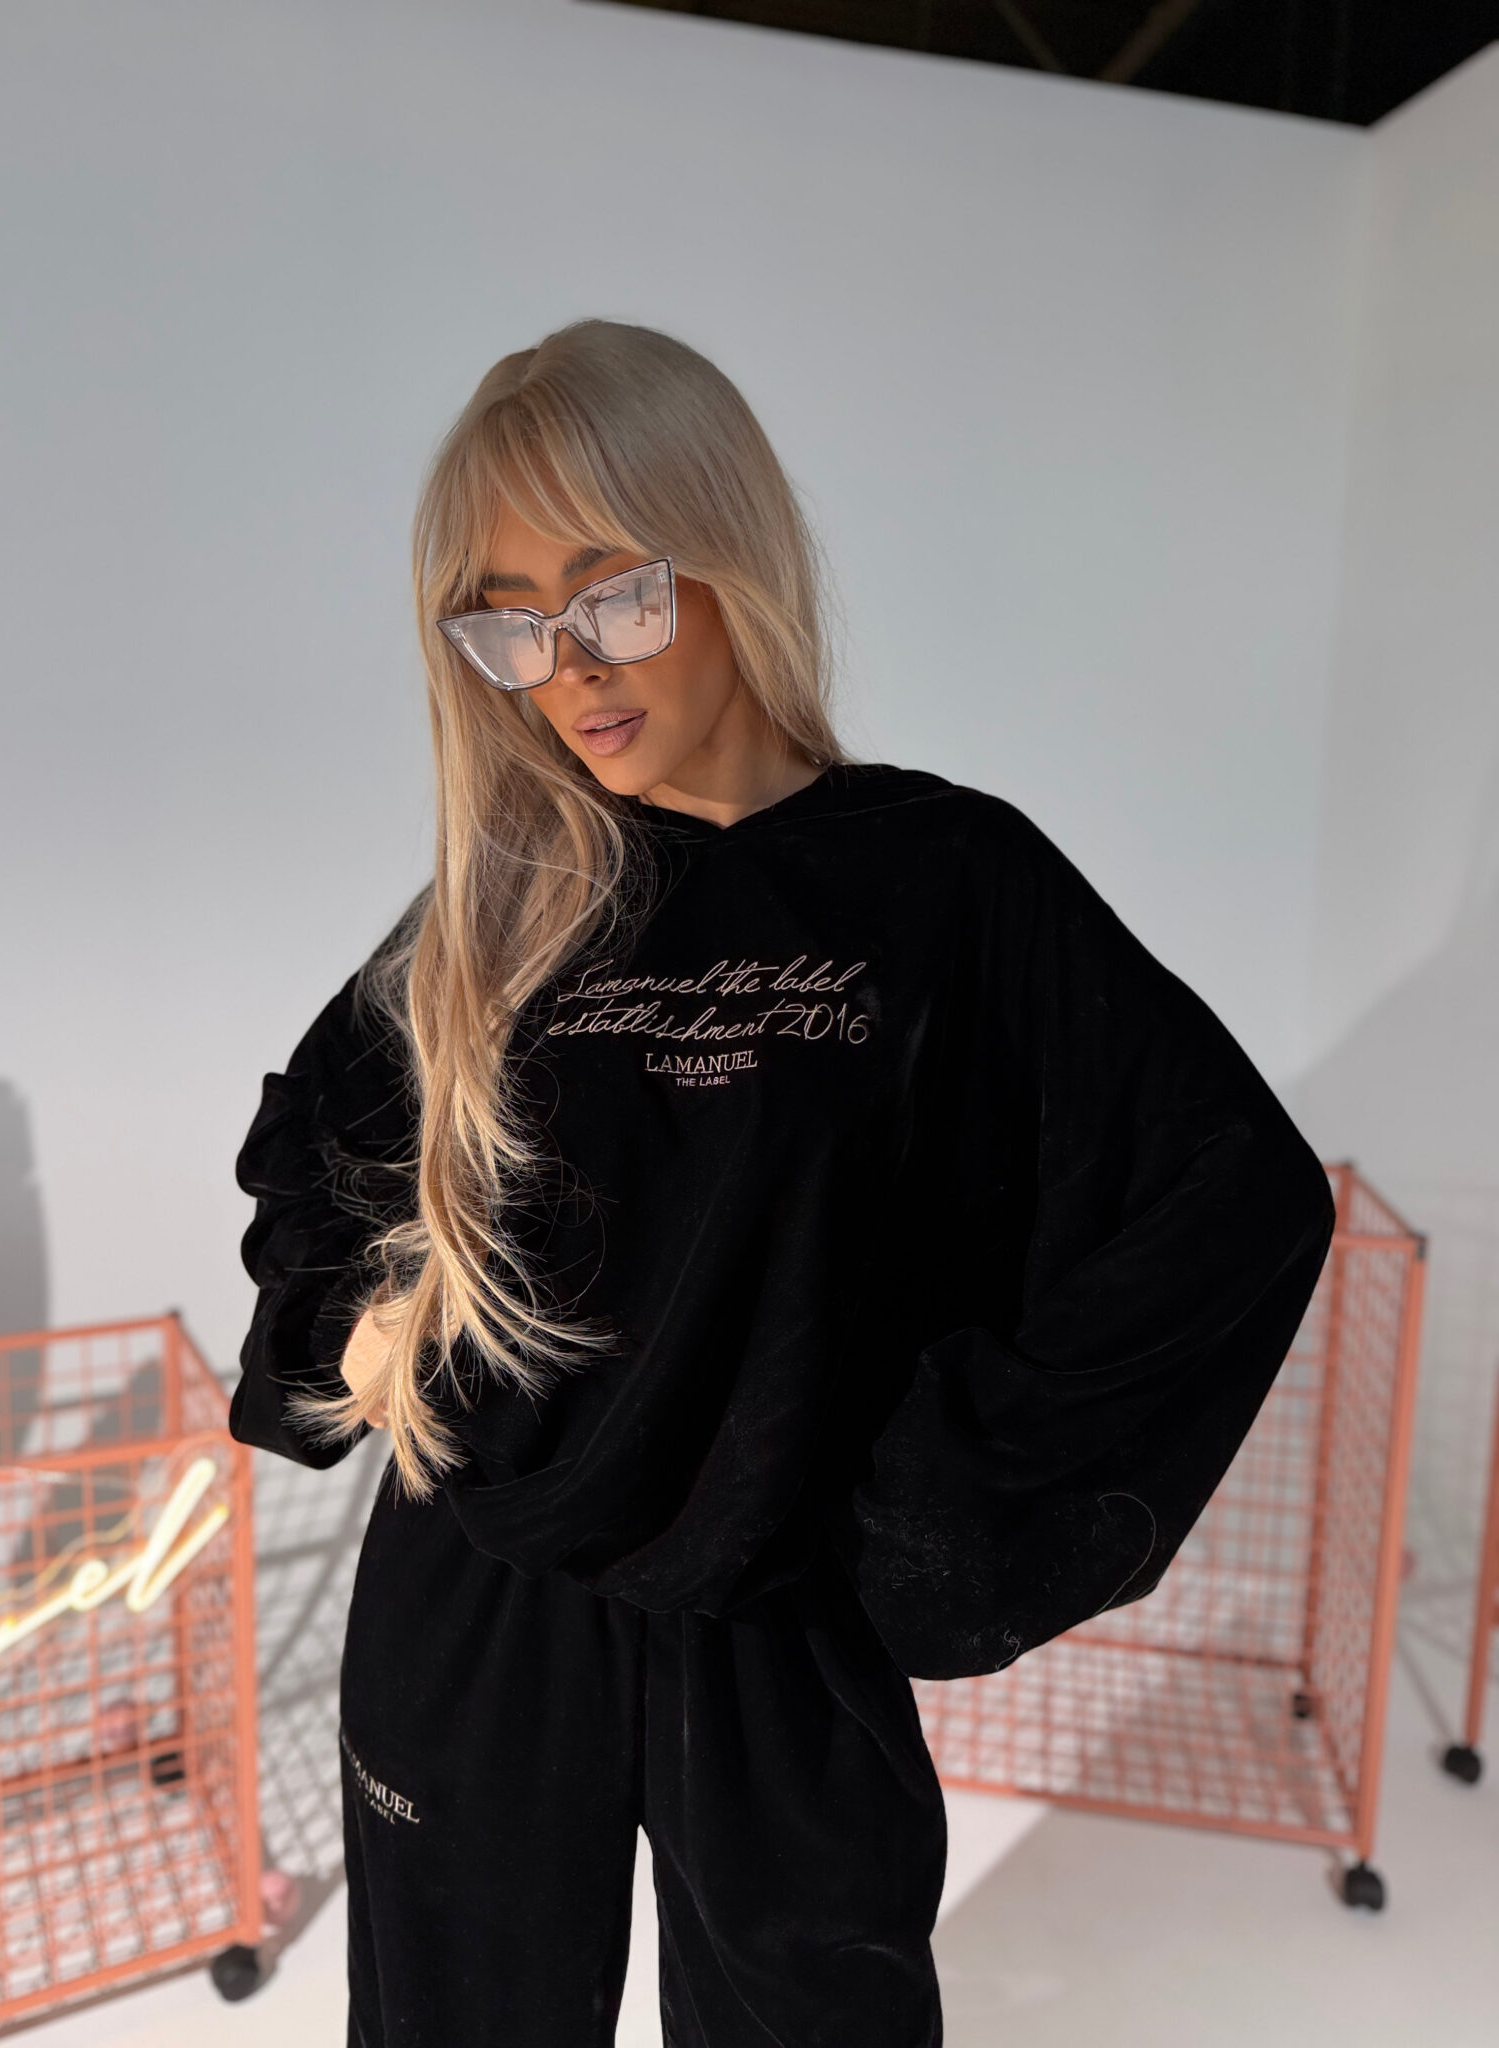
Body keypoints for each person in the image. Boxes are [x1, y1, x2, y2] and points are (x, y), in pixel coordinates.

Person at [229, 318, 1336, 2048]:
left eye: (613, 597)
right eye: (511, 622)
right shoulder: (507, 900)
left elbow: (1226, 1196)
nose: (567, 669)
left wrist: (938, 1502)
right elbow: (318, 1165)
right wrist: (379, 1346)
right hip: (482, 1604)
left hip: (778, 1617)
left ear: (725, 549)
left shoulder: (946, 881)